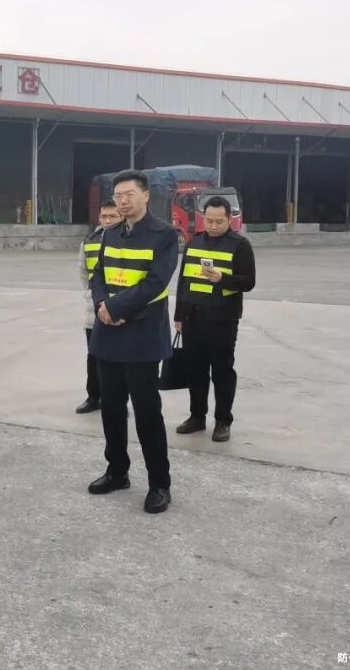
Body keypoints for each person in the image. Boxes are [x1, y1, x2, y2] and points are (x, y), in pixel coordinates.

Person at [88, 170, 179, 514]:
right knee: (111, 408)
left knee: (146, 412)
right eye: (118, 196)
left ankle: (159, 483)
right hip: (108, 333)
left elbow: (155, 283)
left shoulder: (164, 235)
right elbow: (98, 274)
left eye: (129, 194)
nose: (122, 201)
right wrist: (102, 306)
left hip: (141, 335)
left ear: (146, 195)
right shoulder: (110, 233)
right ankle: (117, 471)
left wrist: (116, 308)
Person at [174, 196, 256, 442]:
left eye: (219, 221)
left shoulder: (240, 245)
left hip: (223, 319)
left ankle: (223, 421)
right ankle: (197, 416)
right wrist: (179, 315)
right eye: (209, 220)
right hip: (193, 318)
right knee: (195, 371)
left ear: (229, 219)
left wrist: (223, 279)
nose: (213, 225)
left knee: (222, 371)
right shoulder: (194, 242)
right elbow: (184, 281)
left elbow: (249, 282)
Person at [76, 198, 121, 414]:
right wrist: (91, 295)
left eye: (113, 216)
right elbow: (83, 272)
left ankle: (116, 400)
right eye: (104, 216)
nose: (108, 221)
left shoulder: (128, 240)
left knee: (118, 359)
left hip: (120, 308)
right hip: (93, 309)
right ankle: (93, 397)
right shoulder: (89, 240)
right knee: (93, 356)